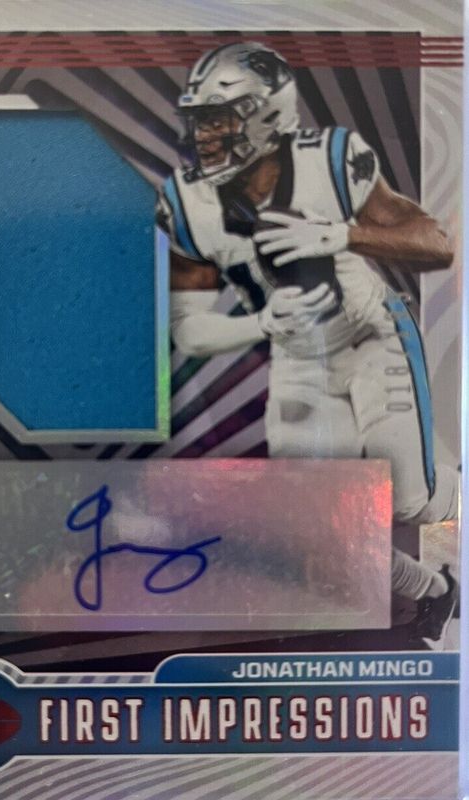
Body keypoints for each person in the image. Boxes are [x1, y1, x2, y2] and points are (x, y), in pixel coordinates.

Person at [158, 41, 459, 641]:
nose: (205, 137)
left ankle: (451, 477)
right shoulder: (186, 201)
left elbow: (436, 243)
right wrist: (261, 324)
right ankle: (434, 589)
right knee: (319, 526)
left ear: (267, 113)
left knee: (408, 501)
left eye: (219, 119)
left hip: (373, 334)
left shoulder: (332, 159)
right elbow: (188, 329)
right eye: (200, 122)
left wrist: (342, 235)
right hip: (299, 358)